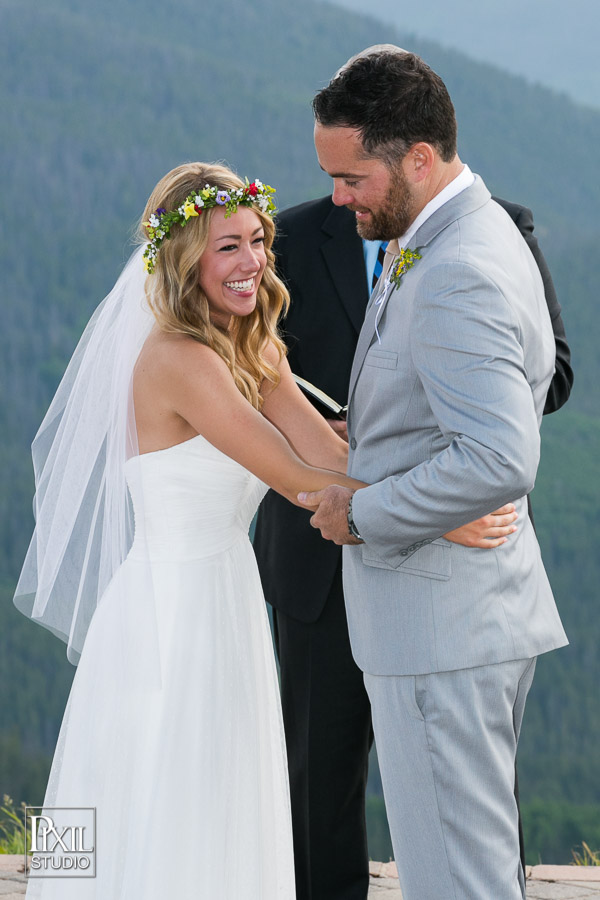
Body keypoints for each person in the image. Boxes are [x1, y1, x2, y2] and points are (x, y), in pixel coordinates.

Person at [14, 161, 522, 898]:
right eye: (228, 246)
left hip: (230, 603)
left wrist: (435, 479)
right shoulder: (177, 361)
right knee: (158, 799)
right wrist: (446, 517)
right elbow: (299, 480)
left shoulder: (254, 348)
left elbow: (332, 455)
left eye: (258, 239)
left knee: (220, 801)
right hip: (168, 614)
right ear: (185, 259)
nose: (253, 261)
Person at [300, 48, 569, 900]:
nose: (338, 197)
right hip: (461, 620)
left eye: (351, 177)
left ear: (419, 157)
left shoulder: (455, 267)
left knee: (456, 880)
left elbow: (498, 456)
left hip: (440, 630)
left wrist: (365, 511)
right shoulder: (456, 228)